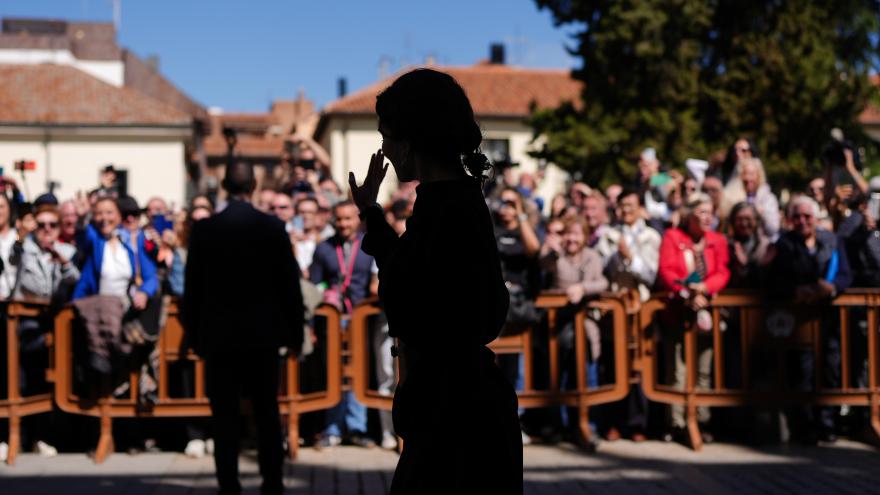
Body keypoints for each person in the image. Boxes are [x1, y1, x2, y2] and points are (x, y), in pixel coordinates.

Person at [349, 68, 521, 494]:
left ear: (411, 138)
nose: (384, 149)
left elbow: (426, 300)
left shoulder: (451, 208)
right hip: (454, 407)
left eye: (386, 134)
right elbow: (411, 271)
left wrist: (374, 220)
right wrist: (371, 212)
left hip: (457, 417)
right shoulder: (450, 202)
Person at [183, 161, 304, 495]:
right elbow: (288, 287)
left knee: (224, 417)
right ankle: (273, 481)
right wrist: (295, 333)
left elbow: (191, 290)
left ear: (223, 185)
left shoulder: (206, 230)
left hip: (220, 338)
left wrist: (195, 336)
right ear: (252, 186)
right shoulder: (271, 228)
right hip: (263, 337)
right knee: (267, 412)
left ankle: (229, 484)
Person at [769, 195, 851, 444]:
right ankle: (805, 426)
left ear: (815, 218)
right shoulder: (784, 244)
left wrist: (832, 287)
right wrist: (796, 291)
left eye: (807, 216)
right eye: (797, 217)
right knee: (803, 372)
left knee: (830, 370)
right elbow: (776, 280)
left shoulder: (832, 241)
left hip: (828, 318)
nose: (803, 221)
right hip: (800, 321)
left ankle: (827, 423)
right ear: (790, 220)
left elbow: (846, 274)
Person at [657, 192, 730, 446]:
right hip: (678, 311)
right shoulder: (673, 237)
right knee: (678, 370)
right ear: (690, 215)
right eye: (702, 212)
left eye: (711, 212)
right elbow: (667, 271)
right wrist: (688, 292)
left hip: (706, 312)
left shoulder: (717, 240)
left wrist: (705, 288)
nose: (707, 217)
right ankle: (677, 423)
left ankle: (702, 420)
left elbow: (722, 271)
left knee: (703, 369)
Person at [309, 201, 378, 449]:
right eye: (339, 219)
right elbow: (314, 285)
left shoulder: (370, 244)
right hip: (332, 321)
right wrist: (326, 293)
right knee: (334, 373)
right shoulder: (323, 249)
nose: (343, 224)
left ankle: (358, 428)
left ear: (357, 219)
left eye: (348, 219)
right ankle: (332, 427)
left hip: (361, 319)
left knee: (359, 373)